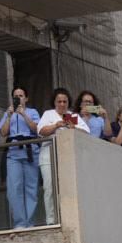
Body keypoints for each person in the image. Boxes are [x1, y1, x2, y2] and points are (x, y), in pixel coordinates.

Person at [36, 88, 88, 223]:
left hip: (68, 157)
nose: (62, 104)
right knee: (49, 188)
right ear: (54, 102)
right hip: (48, 156)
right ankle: (51, 220)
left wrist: (73, 128)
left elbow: (86, 133)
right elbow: (41, 131)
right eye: (59, 101)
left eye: (65, 101)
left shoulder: (72, 116)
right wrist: (56, 125)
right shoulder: (48, 114)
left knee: (68, 188)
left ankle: (68, 218)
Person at [0, 87, 42, 229]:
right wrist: (10, 116)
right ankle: (20, 223)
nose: (18, 98)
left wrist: (24, 115)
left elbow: (37, 129)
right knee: (14, 189)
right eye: (15, 96)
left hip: (30, 152)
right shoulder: (8, 113)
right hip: (14, 153)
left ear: (26, 98)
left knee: (31, 188)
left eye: (21, 95)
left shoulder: (32, 112)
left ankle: (30, 222)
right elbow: (3, 133)